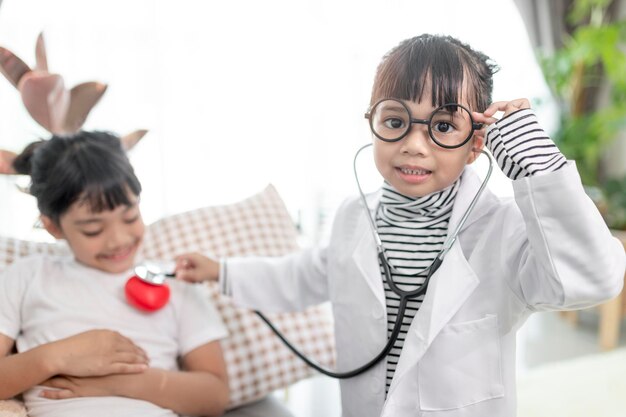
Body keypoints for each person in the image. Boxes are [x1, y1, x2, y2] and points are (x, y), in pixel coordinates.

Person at [174, 34, 626, 417]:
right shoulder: (355, 216)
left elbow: (593, 278)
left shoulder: (503, 230)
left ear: (476, 144)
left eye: (444, 126)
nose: (413, 145)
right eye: (395, 121)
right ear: (371, 123)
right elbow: (309, 274)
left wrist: (538, 167)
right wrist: (222, 271)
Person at [0, 131, 230, 417]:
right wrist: (57, 356)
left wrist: (120, 383)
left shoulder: (177, 282)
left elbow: (215, 396)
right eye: (93, 230)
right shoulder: (28, 275)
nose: (118, 239)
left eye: (130, 217)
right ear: (54, 228)